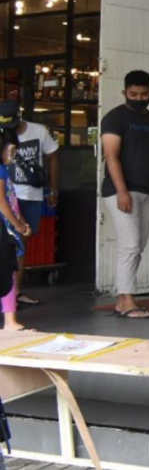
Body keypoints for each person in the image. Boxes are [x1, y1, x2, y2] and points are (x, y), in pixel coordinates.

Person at [100, 70, 149, 320]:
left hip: (147, 191)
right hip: (120, 192)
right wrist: (122, 191)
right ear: (125, 92)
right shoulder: (114, 118)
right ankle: (127, 300)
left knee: (138, 246)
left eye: (144, 94)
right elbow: (110, 157)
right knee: (130, 245)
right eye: (133, 94)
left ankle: (124, 299)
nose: (139, 98)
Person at [0, 101, 59, 308]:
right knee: (9, 246)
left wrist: (52, 189)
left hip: (30, 196)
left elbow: (53, 158)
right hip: (7, 198)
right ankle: (8, 296)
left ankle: (14, 293)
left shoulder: (39, 131)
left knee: (21, 246)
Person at [0, 127, 34, 331]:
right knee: (8, 271)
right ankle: (10, 321)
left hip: (9, 228)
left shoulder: (5, 170)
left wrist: (20, 221)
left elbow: (11, 201)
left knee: (9, 271)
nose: (12, 155)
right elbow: (2, 202)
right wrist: (18, 225)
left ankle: (11, 320)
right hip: (5, 231)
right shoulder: (1, 170)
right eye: (11, 150)